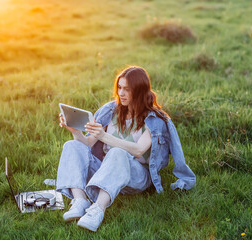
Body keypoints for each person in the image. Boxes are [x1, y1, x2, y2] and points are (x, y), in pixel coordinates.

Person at [56, 66, 196, 232]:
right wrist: (75, 131)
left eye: (127, 89)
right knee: (72, 145)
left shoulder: (154, 119)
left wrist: (104, 136)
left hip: (137, 176)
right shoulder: (111, 111)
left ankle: (98, 209)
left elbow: (138, 150)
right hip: (107, 171)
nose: (121, 93)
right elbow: (87, 144)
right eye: (119, 88)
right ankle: (80, 200)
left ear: (139, 91)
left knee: (117, 152)